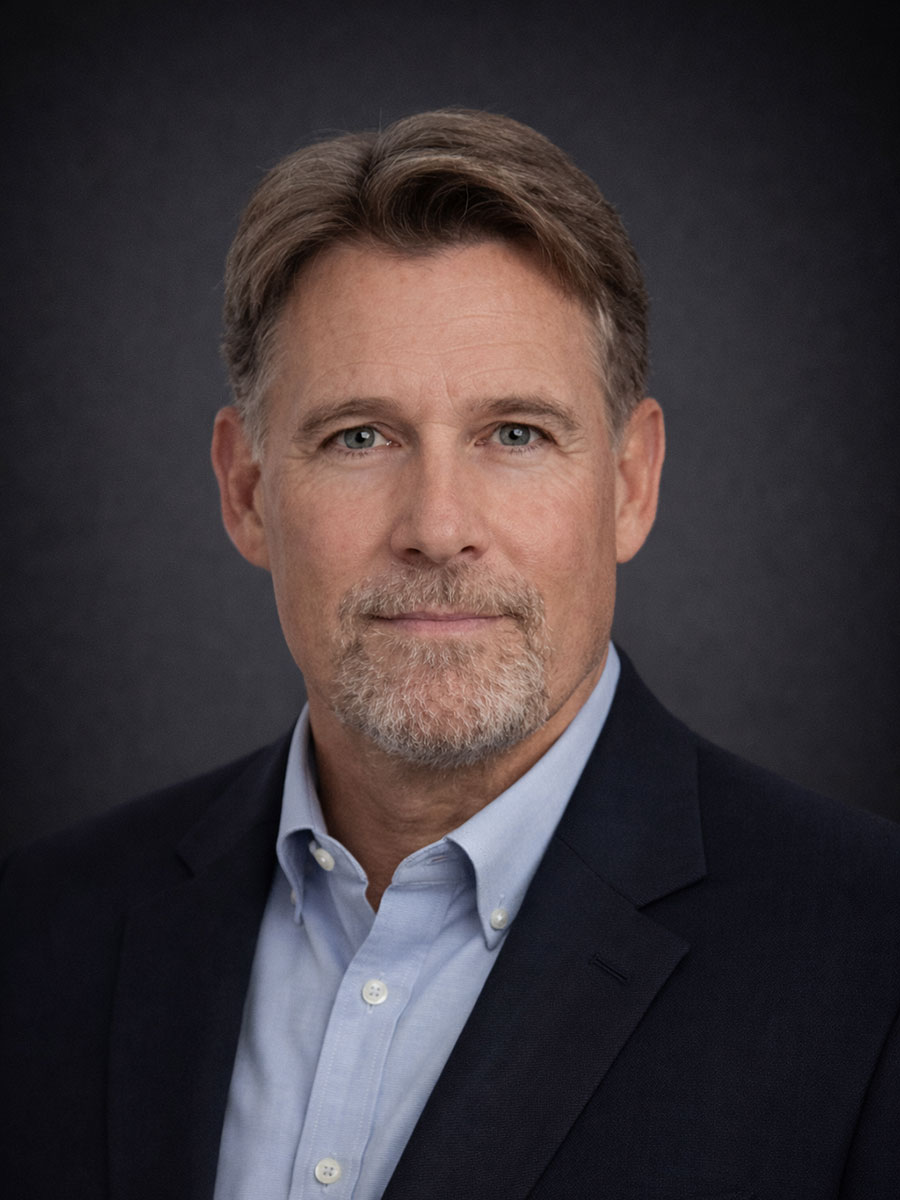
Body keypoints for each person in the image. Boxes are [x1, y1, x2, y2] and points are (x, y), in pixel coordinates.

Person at [1, 109, 898, 1200]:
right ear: (245, 491)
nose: (436, 525)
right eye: (358, 437)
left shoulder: (869, 961)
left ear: (630, 484)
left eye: (515, 434)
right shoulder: (41, 934)